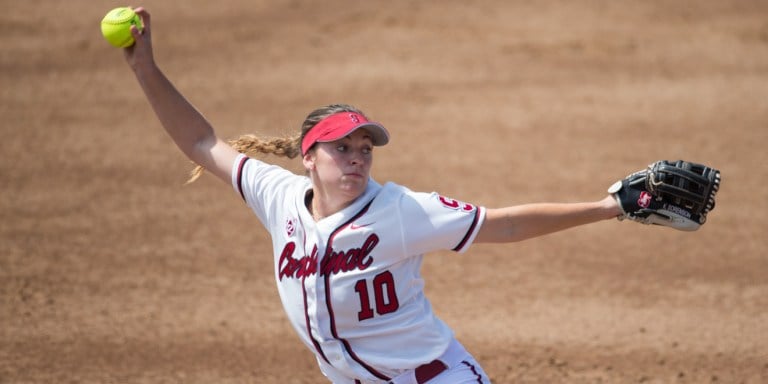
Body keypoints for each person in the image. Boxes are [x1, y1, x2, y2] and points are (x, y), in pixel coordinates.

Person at [121, 7, 622, 384]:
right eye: (342, 148)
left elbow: (505, 224)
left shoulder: (401, 211)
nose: (358, 157)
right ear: (309, 157)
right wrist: (144, 67)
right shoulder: (277, 196)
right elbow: (202, 142)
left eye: (365, 147)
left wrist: (608, 208)